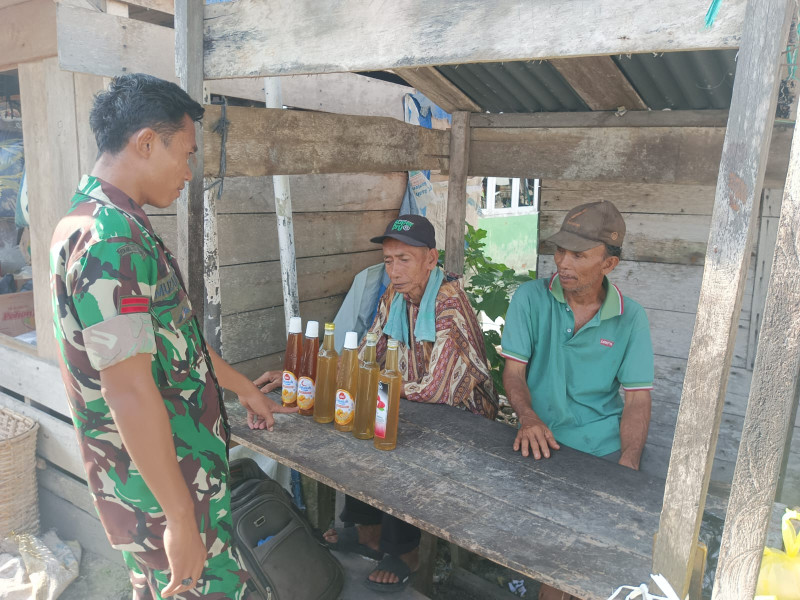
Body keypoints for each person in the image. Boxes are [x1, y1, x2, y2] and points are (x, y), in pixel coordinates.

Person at [50, 74, 294, 600]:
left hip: (164, 484)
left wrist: (241, 387)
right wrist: (181, 517)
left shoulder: (101, 219)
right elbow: (127, 389)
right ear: (144, 143)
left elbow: (171, 336)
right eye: (184, 154)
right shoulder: (110, 241)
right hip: (168, 493)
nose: (188, 173)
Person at [321, 214, 498, 592]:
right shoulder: (395, 296)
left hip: (465, 420)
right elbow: (370, 350)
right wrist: (325, 376)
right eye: (388, 261)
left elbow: (437, 389)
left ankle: (405, 552)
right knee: (361, 421)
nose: (394, 270)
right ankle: (367, 530)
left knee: (394, 436)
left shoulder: (448, 303)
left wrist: (376, 385)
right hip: (416, 402)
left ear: (431, 260)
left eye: (404, 259)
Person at [500, 201, 653, 600]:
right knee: (558, 553)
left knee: (589, 554)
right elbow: (514, 373)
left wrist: (628, 465)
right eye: (560, 250)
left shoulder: (630, 317)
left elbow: (637, 399)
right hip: (541, 441)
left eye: (579, 255)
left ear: (609, 265)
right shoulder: (531, 299)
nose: (563, 263)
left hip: (601, 448)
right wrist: (529, 418)